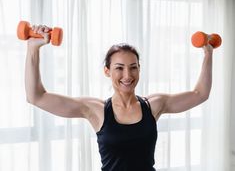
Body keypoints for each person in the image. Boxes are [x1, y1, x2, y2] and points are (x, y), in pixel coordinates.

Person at [25, 25, 213, 171]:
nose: (127, 75)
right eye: (119, 67)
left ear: (139, 69)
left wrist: (208, 54)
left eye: (133, 67)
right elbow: (36, 96)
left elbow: (200, 94)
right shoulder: (94, 109)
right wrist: (33, 49)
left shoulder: (154, 105)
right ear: (107, 71)